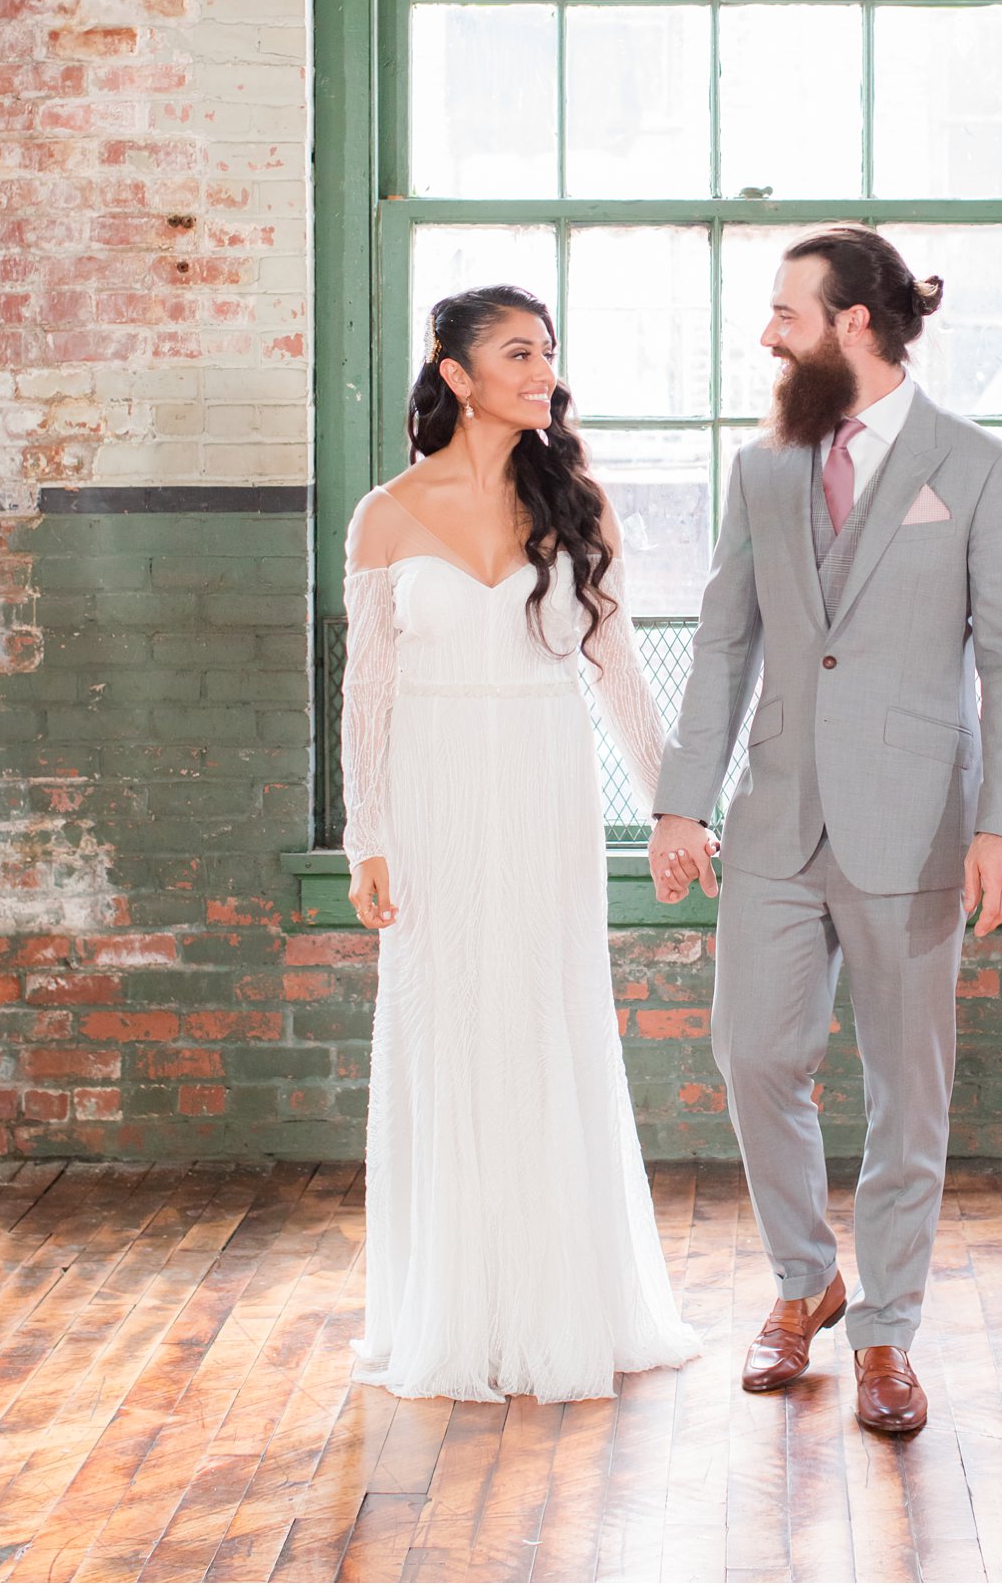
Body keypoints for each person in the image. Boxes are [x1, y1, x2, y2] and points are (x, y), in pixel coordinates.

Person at [650, 226, 1002, 1436]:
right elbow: (726, 642)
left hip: (919, 825)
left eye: (785, 313)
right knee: (752, 1058)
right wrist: (682, 796)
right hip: (776, 819)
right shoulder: (763, 470)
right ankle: (802, 1279)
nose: (767, 334)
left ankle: (884, 1333)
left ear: (855, 325)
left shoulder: (976, 467)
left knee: (904, 1094)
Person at [339, 284, 698, 1402]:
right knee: (446, 1029)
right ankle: (454, 1311)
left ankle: (562, 1306)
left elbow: (620, 674)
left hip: (544, 798)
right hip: (432, 795)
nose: (540, 371)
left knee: (546, 1023)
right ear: (454, 374)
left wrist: (672, 806)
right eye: (515, 353)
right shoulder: (384, 515)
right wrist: (368, 839)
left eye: (546, 353)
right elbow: (366, 699)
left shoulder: (577, 506)